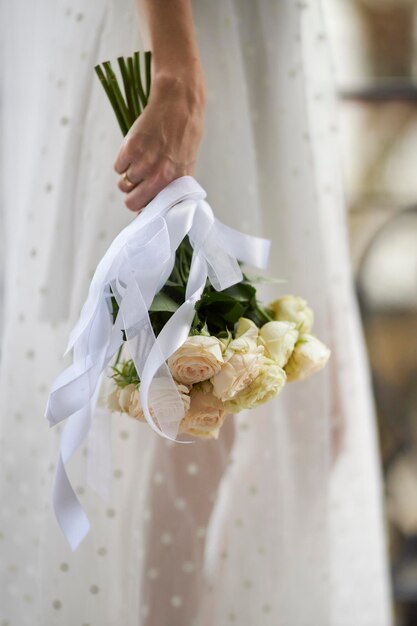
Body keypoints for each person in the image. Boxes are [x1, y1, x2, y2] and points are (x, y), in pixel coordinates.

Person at [0, 0, 393, 624]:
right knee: (192, 415)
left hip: (264, 53)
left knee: (314, 424)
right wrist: (175, 71)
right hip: (192, 44)